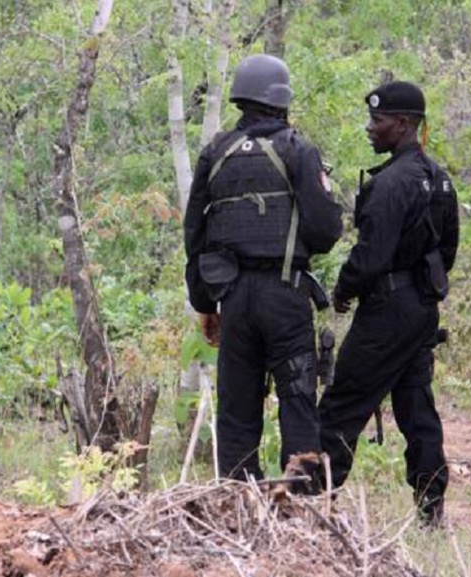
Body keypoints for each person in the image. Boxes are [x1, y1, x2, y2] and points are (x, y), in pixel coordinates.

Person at [183, 54, 343, 490]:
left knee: (237, 409)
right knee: (296, 401)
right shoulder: (298, 149)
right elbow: (326, 229)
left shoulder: (215, 152)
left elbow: (194, 233)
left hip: (232, 299)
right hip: (286, 297)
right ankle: (303, 505)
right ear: (281, 99)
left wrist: (205, 303)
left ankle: (238, 504)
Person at [317, 81, 459, 525]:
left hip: (386, 313)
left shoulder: (390, 184)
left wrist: (343, 289)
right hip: (421, 310)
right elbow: (448, 249)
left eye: (377, 121)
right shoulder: (440, 179)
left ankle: (312, 504)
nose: (369, 128)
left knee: (342, 405)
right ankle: (431, 512)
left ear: (403, 124)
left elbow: (370, 257)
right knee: (417, 410)